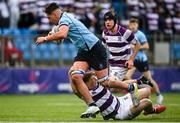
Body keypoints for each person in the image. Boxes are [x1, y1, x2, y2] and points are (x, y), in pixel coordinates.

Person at [35, 3, 138, 118]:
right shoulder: (65, 18)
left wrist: (45, 38)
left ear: (54, 14)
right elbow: (61, 33)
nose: (49, 20)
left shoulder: (64, 19)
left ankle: (131, 87)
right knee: (75, 76)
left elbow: (63, 34)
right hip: (84, 51)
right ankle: (92, 105)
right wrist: (55, 33)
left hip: (95, 49)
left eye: (49, 17)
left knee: (105, 82)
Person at [73, 71, 166, 120]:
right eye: (93, 78)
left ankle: (140, 105)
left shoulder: (100, 84)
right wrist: (72, 74)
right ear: (87, 82)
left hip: (121, 101)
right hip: (120, 113)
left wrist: (137, 81)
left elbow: (121, 83)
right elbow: (75, 90)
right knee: (147, 102)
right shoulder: (86, 94)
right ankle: (151, 110)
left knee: (147, 90)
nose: (96, 79)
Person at [125, 18, 163, 104]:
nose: (133, 26)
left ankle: (159, 95)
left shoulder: (140, 34)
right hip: (133, 60)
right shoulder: (127, 34)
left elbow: (147, 46)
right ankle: (136, 95)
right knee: (127, 76)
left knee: (149, 79)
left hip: (142, 61)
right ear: (129, 25)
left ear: (137, 25)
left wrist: (136, 47)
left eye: (134, 24)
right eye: (131, 24)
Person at [102, 11, 140, 81]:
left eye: (110, 20)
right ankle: (139, 82)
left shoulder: (125, 32)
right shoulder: (105, 32)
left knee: (112, 82)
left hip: (122, 63)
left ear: (115, 21)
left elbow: (137, 44)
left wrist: (131, 59)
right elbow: (103, 48)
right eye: (106, 20)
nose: (107, 22)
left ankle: (138, 83)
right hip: (111, 64)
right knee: (110, 84)